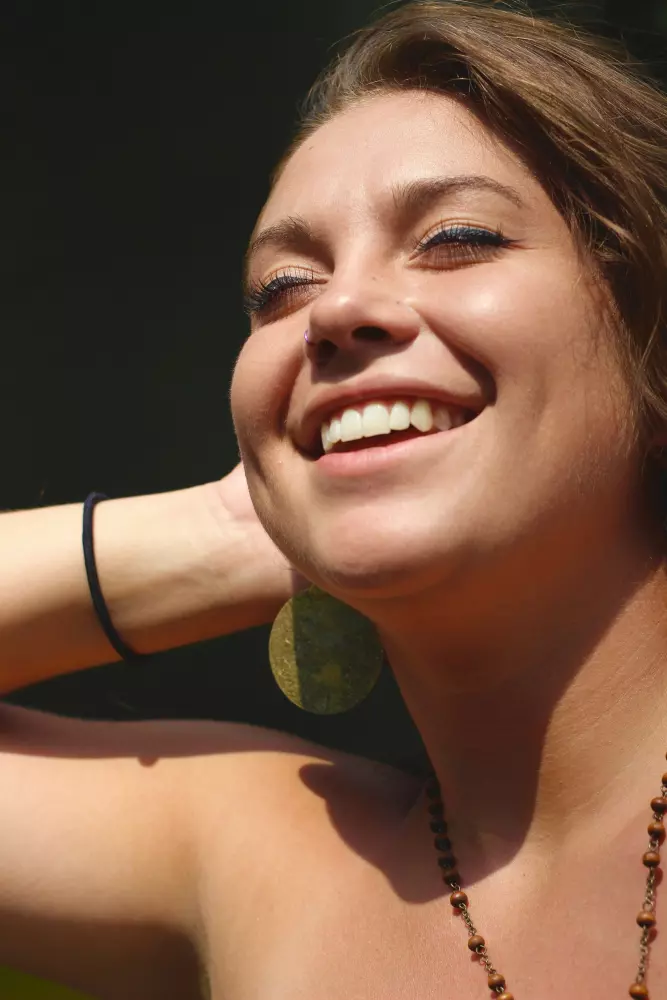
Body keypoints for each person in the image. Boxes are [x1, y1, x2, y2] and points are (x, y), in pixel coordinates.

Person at [2, 0, 667, 997]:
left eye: (455, 237)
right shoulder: (256, 866)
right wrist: (240, 528)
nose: (336, 309)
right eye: (283, 288)